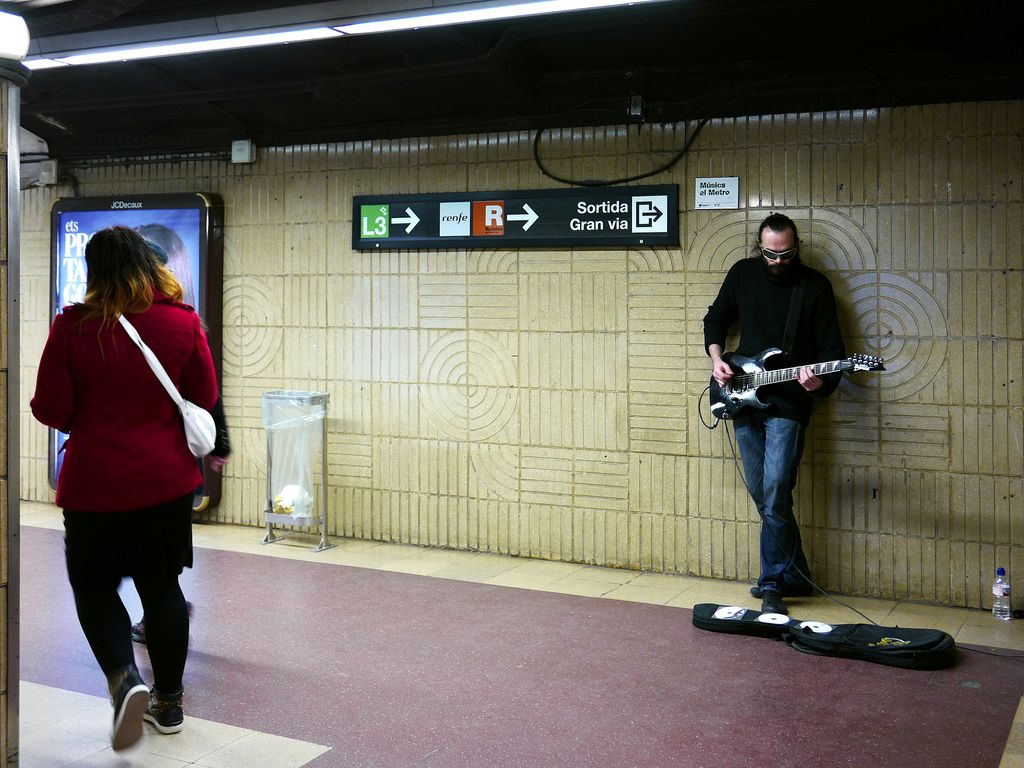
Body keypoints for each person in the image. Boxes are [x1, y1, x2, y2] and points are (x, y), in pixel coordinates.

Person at [31, 226, 217, 750]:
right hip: (167, 483)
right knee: (162, 588)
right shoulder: (183, 322)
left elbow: (48, 408)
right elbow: (202, 393)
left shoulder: (73, 327)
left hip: (95, 487)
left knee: (94, 587)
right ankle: (170, 702)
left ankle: (124, 678)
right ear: (146, 264)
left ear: (95, 272)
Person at [703, 212, 845, 616]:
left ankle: (771, 583)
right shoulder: (743, 274)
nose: (778, 262)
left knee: (776, 488)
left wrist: (822, 382)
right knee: (763, 494)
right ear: (758, 247)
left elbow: (831, 351)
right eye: (770, 254)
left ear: (796, 247)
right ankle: (796, 572)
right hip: (743, 396)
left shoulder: (815, 286)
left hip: (789, 404)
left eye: (786, 254)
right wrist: (717, 360)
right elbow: (715, 320)